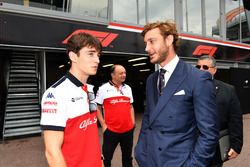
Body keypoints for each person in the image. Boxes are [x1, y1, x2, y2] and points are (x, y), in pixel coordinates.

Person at [134, 20, 219, 167]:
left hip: (179, 162)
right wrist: (140, 152)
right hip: (150, 160)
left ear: (169, 40)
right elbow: (148, 119)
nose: (147, 48)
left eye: (151, 41)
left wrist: (193, 165)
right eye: (145, 43)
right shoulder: (151, 79)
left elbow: (209, 133)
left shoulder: (198, 78)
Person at [40, 32, 103, 167]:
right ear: (73, 56)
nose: (97, 60)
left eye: (98, 55)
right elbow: (52, 152)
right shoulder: (56, 94)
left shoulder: (89, 89)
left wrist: (100, 160)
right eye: (91, 54)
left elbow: (90, 135)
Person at [196, 55, 243, 167]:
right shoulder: (187, 88)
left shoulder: (228, 90)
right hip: (191, 147)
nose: (201, 70)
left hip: (215, 149)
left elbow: (235, 120)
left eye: (205, 67)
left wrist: (236, 146)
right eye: (198, 67)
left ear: (214, 70)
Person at [95, 64, 135, 167]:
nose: (124, 75)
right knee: (106, 158)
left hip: (128, 130)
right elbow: (97, 108)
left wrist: (133, 123)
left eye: (125, 73)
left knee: (127, 158)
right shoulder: (103, 89)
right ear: (113, 75)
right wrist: (103, 125)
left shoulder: (128, 88)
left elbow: (130, 106)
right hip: (111, 131)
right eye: (121, 73)